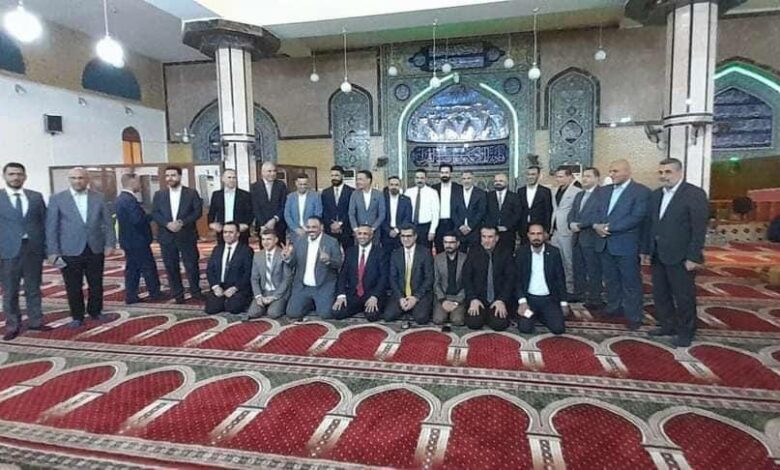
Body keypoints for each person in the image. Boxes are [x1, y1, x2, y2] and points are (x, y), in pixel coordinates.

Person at [643, 158, 709, 347]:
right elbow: (651, 224)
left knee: (684, 296)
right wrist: (646, 250)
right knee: (661, 293)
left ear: (680, 173)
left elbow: (699, 229)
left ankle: (686, 332)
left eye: (668, 172)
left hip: (682, 256)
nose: (664, 176)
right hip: (658, 254)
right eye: (661, 172)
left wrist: (693, 256)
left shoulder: (694, 194)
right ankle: (667, 325)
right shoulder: (656, 195)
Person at [584, 159, 650, 330]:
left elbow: (636, 217)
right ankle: (614, 307)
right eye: (610, 171)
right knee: (611, 280)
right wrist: (596, 225)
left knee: (630, 282)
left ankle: (633, 315)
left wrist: (608, 227)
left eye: (615, 171)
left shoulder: (640, 191)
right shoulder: (603, 191)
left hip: (626, 245)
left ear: (627, 171)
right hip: (604, 243)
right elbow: (593, 212)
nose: (611, 174)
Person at [46, 167, 116, 328]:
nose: (77, 181)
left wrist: (110, 243)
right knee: (73, 285)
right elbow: (51, 227)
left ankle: (95, 311)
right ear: (69, 179)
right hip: (69, 249)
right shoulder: (57, 199)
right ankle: (77, 316)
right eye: (74, 178)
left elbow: (108, 222)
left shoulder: (98, 197)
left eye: (81, 178)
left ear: (87, 179)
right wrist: (52, 251)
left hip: (95, 247)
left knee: (96, 283)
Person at [0, 163, 50, 341]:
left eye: (19, 174)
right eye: (11, 174)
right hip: (7, 251)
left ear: (25, 177)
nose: (15, 177)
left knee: (33, 288)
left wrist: (47, 249)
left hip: (33, 249)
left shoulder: (35, 197)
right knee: (10, 291)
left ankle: (36, 321)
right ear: (4, 176)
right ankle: (12, 325)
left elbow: (45, 223)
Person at [152, 166, 204, 304]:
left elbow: (197, 212)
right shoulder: (159, 195)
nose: (170, 178)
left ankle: (195, 291)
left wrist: (182, 222)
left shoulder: (191, 193)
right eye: (167, 175)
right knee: (171, 266)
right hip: (167, 236)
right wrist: (167, 224)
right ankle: (178, 294)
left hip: (187, 234)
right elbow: (155, 213)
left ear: (180, 176)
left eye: (173, 175)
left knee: (191, 265)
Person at [115, 173, 162, 305]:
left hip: (128, 240)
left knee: (133, 269)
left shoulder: (121, 198)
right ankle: (155, 293)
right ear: (131, 182)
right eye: (138, 182)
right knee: (147, 267)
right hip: (137, 240)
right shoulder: (128, 199)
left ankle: (131, 295)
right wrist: (151, 216)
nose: (140, 185)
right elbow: (137, 220)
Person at [283, 216, 342, 319]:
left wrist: (328, 260)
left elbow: (339, 264)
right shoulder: (300, 240)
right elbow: (293, 263)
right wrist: (287, 258)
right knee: (292, 313)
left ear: (321, 227)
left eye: (314, 227)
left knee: (326, 314)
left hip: (323, 286)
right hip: (303, 286)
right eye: (308, 227)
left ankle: (317, 302)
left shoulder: (332, 242)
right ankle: (310, 302)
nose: (310, 230)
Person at [515, 224, 568, 335]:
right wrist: (522, 302)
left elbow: (560, 278)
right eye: (533, 234)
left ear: (544, 235)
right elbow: (517, 280)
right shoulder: (521, 252)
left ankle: (543, 315)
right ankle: (535, 314)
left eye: (539, 234)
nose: (536, 237)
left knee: (558, 329)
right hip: (529, 300)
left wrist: (563, 302)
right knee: (525, 328)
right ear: (528, 235)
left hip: (549, 299)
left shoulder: (554, 252)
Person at [462, 226, 513, 331]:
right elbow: (466, 277)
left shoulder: (505, 253)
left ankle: (490, 315)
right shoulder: (473, 252)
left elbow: (510, 279)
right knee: (473, 323)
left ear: (497, 238)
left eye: (490, 237)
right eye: (484, 237)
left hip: (497, 299)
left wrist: (501, 300)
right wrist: (473, 299)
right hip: (478, 299)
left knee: (499, 325)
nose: (486, 240)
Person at [331, 225, 386, 320]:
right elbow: (343, 275)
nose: (362, 236)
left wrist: (375, 296)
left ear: (371, 236)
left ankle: (364, 307)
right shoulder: (350, 251)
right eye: (359, 234)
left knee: (372, 316)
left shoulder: (380, 253)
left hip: (371, 293)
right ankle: (358, 306)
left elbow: (384, 277)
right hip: (354, 294)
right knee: (337, 313)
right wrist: (341, 295)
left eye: (365, 234)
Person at [568, 167, 604, 310]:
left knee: (593, 269)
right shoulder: (579, 195)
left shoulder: (602, 195)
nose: (584, 179)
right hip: (577, 238)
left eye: (588, 176)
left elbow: (599, 216)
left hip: (591, 238)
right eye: (584, 176)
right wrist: (571, 223)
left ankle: (595, 298)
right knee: (578, 268)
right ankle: (579, 293)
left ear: (597, 178)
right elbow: (572, 213)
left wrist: (581, 225)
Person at [384, 223, 434, 324]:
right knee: (388, 316)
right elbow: (392, 278)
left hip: (419, 294)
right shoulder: (395, 254)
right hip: (401, 294)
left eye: (409, 236)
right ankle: (406, 306)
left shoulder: (425, 253)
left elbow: (429, 278)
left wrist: (415, 298)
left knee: (421, 318)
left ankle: (413, 307)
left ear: (415, 236)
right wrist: (400, 298)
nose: (405, 239)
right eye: (403, 236)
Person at [205, 222, 254, 314]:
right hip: (220, 286)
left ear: (238, 234)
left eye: (231, 232)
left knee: (233, 308)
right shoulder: (217, 249)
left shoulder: (246, 250)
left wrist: (235, 288)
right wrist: (215, 287)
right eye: (225, 232)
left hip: (237, 287)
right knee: (211, 309)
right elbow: (210, 270)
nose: (227, 235)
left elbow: (248, 273)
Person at [246, 229, 293, 320]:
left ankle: (276, 304)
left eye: (269, 239)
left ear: (276, 240)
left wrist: (274, 297)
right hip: (264, 291)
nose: (265, 242)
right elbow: (254, 278)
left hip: (279, 292)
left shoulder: (283, 254)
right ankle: (266, 305)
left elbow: (287, 279)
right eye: (263, 239)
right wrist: (258, 296)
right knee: (253, 313)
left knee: (273, 313)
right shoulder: (258, 255)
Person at [550, 167, 582, 299]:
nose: (558, 179)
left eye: (561, 176)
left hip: (567, 231)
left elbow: (578, 212)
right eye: (557, 176)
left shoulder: (577, 192)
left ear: (569, 177)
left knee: (569, 261)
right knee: (556, 260)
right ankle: (558, 286)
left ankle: (571, 289)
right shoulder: (554, 191)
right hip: (554, 230)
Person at [207, 169, 253, 244]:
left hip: (240, 231)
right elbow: (212, 211)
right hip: (222, 230)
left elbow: (251, 212)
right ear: (223, 179)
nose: (232, 180)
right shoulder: (216, 195)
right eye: (229, 177)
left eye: (234, 178)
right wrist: (211, 223)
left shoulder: (245, 195)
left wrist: (247, 224)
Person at [433, 232, 466, 327]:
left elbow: (468, 283)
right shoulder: (438, 259)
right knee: (438, 320)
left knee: (457, 321)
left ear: (458, 243)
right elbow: (436, 282)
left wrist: (457, 302)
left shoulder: (465, 258)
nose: (448, 245)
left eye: (451, 242)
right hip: (443, 296)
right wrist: (443, 300)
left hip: (459, 297)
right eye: (446, 242)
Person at [250, 161, 287, 242]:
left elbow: (284, 205)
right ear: (262, 172)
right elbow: (255, 208)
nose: (272, 173)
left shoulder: (281, 185)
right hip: (262, 227)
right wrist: (264, 225)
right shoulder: (254, 187)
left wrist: (275, 219)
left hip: (279, 226)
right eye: (269, 171)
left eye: (274, 171)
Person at [485, 173, 521, 255]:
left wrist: (506, 226)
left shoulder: (514, 197)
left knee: (508, 257)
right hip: (492, 234)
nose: (498, 183)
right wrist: (493, 227)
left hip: (508, 233)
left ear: (507, 182)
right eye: (496, 181)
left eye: (501, 181)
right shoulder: (488, 196)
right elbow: (485, 213)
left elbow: (517, 214)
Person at [452, 171, 486, 253]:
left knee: (475, 255)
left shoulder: (480, 193)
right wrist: (460, 226)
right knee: (460, 256)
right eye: (464, 179)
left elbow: (481, 211)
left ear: (473, 179)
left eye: (468, 178)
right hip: (459, 231)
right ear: (461, 180)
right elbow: (453, 212)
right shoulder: (455, 193)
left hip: (474, 231)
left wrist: (470, 227)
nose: (466, 181)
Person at [322, 165, 355, 249]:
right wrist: (331, 224)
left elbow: (351, 211)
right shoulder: (325, 192)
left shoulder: (351, 192)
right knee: (330, 254)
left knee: (348, 254)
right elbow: (324, 211)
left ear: (342, 176)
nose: (334, 178)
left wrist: (340, 224)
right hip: (330, 230)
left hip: (346, 229)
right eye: (332, 175)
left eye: (336, 175)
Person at [405, 169, 440, 248]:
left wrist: (432, 230)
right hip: (411, 226)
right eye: (417, 178)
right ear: (414, 179)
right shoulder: (408, 192)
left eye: (422, 178)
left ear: (426, 179)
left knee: (425, 250)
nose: (419, 180)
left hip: (425, 227)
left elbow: (435, 213)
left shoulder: (432, 192)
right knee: (411, 249)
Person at [432, 164, 463, 253]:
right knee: (440, 248)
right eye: (442, 173)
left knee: (455, 249)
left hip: (454, 223)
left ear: (451, 174)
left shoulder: (458, 188)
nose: (444, 175)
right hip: (438, 224)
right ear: (439, 174)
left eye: (446, 172)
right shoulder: (434, 188)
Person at [381, 175, 412, 262]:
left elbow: (407, 217)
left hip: (401, 234)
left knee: (400, 258)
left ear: (400, 186)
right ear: (388, 185)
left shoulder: (406, 200)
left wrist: (397, 230)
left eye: (396, 185)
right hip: (385, 234)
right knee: (385, 259)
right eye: (391, 184)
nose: (394, 187)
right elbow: (380, 216)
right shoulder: (382, 199)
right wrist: (389, 231)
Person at [284, 173, 322, 242]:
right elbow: (287, 215)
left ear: (308, 184)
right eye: (300, 184)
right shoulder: (290, 197)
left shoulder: (316, 196)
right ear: (296, 183)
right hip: (294, 233)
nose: (302, 186)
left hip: (311, 231)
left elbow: (318, 213)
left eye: (305, 184)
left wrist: (307, 227)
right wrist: (296, 229)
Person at [517, 166, 553, 239]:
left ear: (538, 175)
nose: (530, 177)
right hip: (523, 229)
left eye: (533, 174)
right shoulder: (520, 191)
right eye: (528, 174)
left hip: (539, 229)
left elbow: (548, 211)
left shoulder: (545, 191)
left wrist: (547, 230)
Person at [348, 170, 385, 234]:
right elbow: (351, 213)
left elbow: (382, 214)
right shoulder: (354, 194)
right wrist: (355, 229)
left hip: (374, 231)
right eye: (357, 179)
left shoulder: (379, 194)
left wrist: (372, 228)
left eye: (360, 179)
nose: (358, 182)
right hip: (359, 232)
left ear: (368, 180)